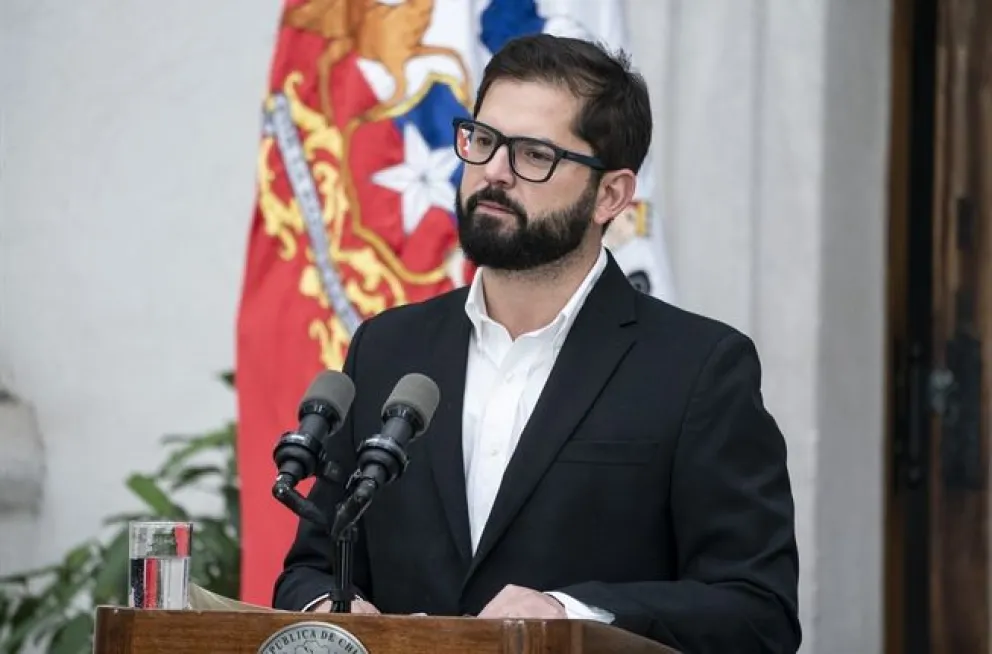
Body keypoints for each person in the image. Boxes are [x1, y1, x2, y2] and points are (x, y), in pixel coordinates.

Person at [273, 33, 801, 653]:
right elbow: (309, 565)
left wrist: (570, 614)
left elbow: (757, 611)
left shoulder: (698, 369)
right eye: (485, 141)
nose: (494, 172)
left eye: (533, 155)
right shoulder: (389, 347)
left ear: (610, 194)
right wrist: (336, 609)